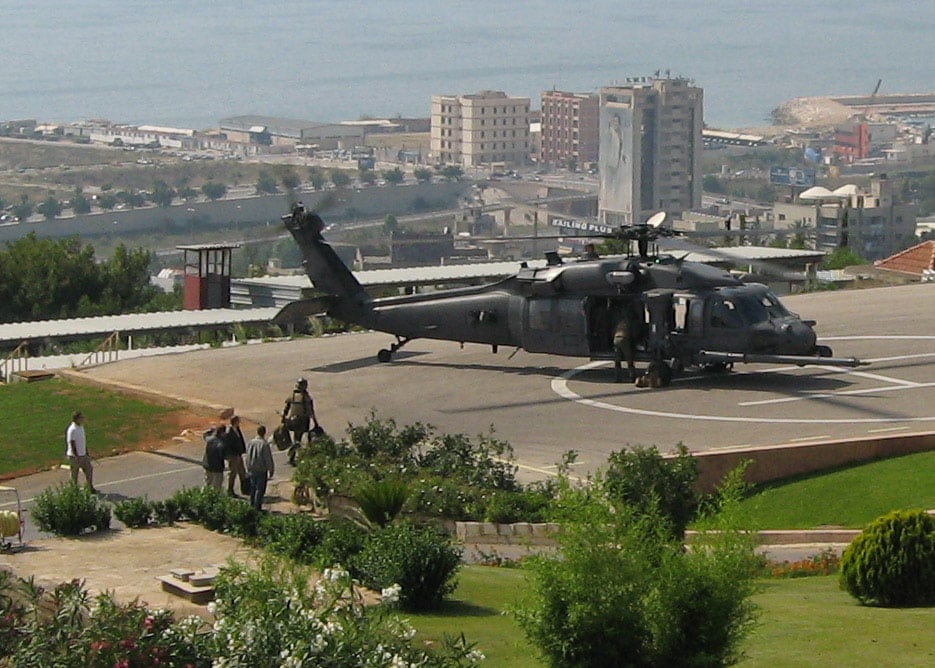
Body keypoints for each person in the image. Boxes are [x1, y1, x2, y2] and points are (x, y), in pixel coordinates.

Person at [282, 378, 319, 466]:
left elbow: (286, 408)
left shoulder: (293, 395)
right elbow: (310, 410)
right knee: (305, 438)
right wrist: (315, 422)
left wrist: (283, 417)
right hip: (303, 421)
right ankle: (302, 456)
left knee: (296, 438)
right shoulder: (306, 397)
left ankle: (293, 456)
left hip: (293, 421)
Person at [244, 425, 274, 511]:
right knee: (259, 489)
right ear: (264, 433)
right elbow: (267, 458)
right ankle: (257, 508)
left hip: (252, 468)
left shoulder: (251, 442)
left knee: (253, 488)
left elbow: (247, 456)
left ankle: (252, 505)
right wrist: (271, 469)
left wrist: (248, 466)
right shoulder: (264, 444)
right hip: (261, 469)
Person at [65, 411, 96, 493]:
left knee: (89, 469)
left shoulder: (81, 427)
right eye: (81, 418)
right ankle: (73, 490)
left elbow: (82, 441)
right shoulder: (72, 429)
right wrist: (76, 455)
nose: (83, 419)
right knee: (74, 473)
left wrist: (86, 452)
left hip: (83, 454)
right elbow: (72, 443)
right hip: (75, 456)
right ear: (76, 419)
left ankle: (90, 487)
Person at [223, 415, 248, 497]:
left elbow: (240, 439)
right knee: (233, 473)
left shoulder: (237, 429)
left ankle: (245, 489)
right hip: (233, 456)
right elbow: (228, 445)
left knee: (242, 471)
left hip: (238, 454)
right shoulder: (229, 432)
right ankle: (230, 490)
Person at [613, 307, 637, 383]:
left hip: (616, 339)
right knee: (629, 359)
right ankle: (632, 376)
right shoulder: (630, 323)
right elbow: (633, 335)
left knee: (617, 360)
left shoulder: (619, 323)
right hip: (624, 339)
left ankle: (618, 378)